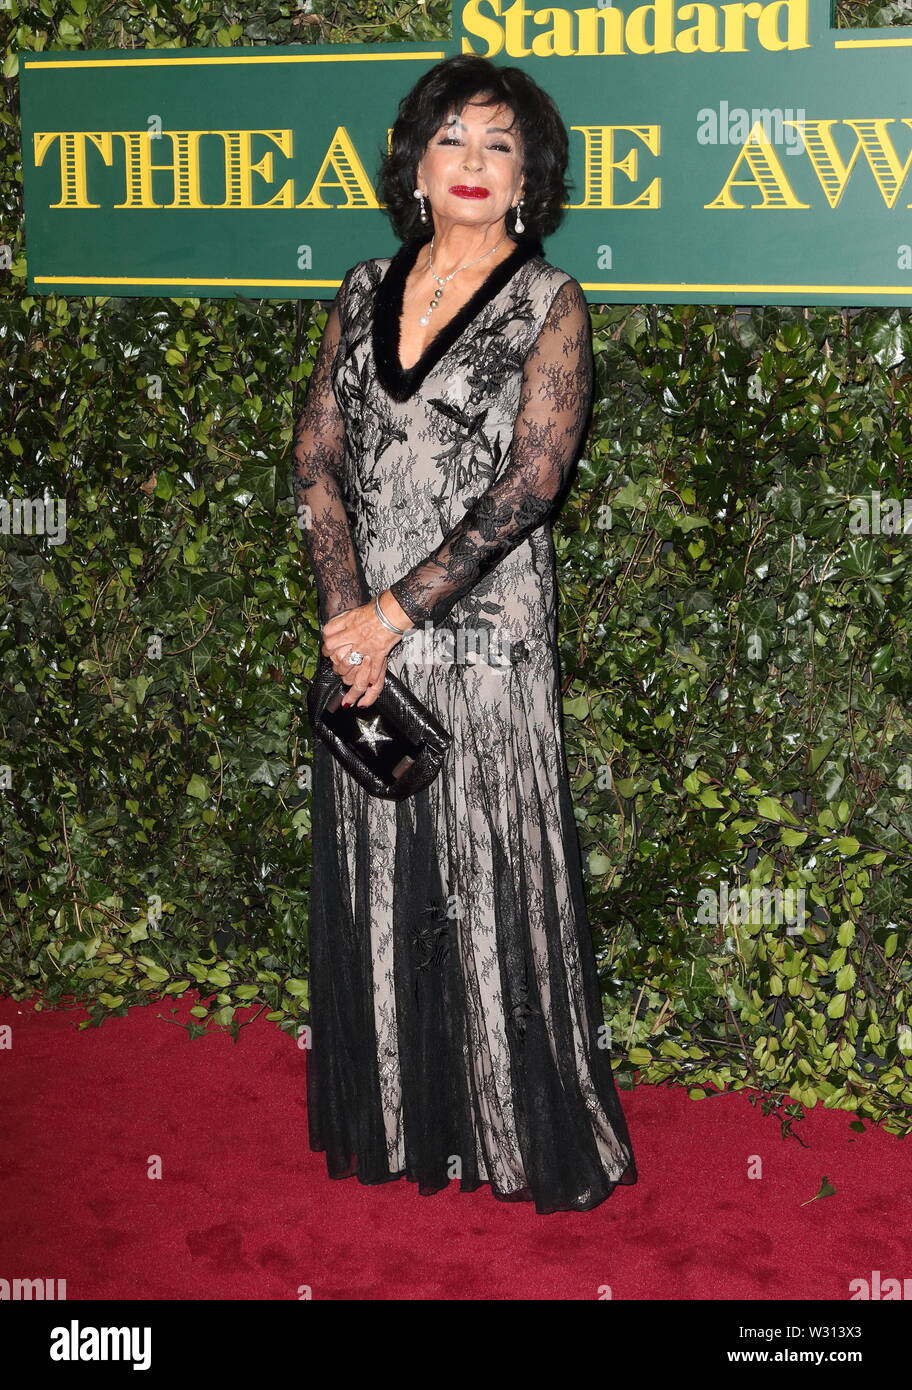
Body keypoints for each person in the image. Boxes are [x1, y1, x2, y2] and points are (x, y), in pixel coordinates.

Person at [291, 52, 637, 1213]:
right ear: (417, 166)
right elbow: (318, 462)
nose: (476, 163)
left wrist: (394, 612)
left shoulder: (550, 304)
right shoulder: (354, 289)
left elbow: (530, 485)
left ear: (531, 175)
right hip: (369, 645)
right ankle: (403, 1120)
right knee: (387, 866)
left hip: (483, 639)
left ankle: (512, 1128)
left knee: (486, 870)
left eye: (501, 144)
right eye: (455, 140)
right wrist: (350, 619)